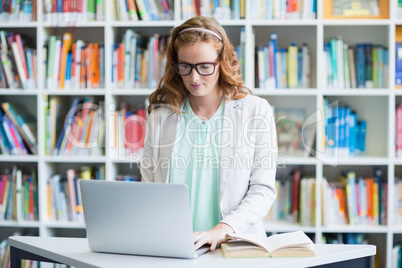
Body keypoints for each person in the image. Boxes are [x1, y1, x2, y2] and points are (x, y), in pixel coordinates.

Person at [140, 16, 277, 252]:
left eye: (205, 67)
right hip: (174, 248)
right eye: (185, 66)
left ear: (221, 62)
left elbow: (262, 190)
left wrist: (224, 227)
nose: (194, 78)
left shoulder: (255, 110)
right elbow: (150, 187)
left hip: (234, 245)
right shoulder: (161, 117)